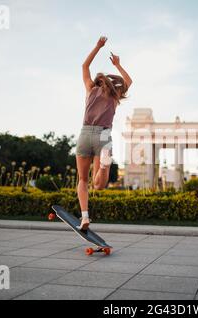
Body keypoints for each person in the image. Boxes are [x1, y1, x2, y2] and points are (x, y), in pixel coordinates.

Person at [76, 36, 132, 230]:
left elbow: (84, 66)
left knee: (83, 180)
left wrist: (98, 46)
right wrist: (118, 64)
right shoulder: (115, 95)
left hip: (85, 133)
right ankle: (103, 167)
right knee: (99, 184)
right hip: (103, 135)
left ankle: (84, 217)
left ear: (98, 82)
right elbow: (128, 80)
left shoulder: (90, 89)